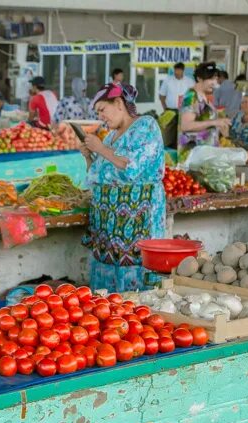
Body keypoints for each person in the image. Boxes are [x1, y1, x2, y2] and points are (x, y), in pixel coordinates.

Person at [80, 82, 166, 292]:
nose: (101, 116)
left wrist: (100, 148)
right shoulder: (111, 136)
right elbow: (97, 175)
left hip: (138, 218)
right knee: (106, 292)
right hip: (108, 227)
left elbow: (132, 167)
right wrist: (89, 156)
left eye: (102, 110)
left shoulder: (146, 126)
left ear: (119, 103)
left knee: (136, 281)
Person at [178, 61, 230, 162]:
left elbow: (205, 124)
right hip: (193, 160)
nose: (214, 83)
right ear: (199, 78)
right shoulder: (191, 96)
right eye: (210, 79)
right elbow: (186, 125)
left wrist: (219, 127)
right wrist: (214, 122)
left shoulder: (204, 97)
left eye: (216, 79)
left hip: (204, 158)